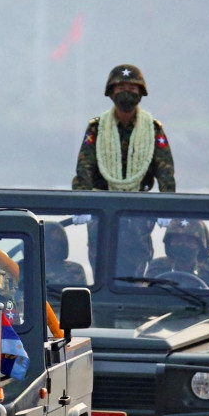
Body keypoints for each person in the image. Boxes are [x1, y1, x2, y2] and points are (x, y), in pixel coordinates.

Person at [71, 65, 175, 278]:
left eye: (132, 87)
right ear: (111, 92)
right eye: (121, 87)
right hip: (101, 206)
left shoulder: (153, 129)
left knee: (137, 260)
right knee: (100, 258)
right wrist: (81, 201)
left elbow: (165, 170)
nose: (127, 92)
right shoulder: (97, 128)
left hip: (139, 207)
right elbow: (85, 167)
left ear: (141, 93)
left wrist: (167, 204)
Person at [145, 220, 209, 289]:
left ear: (200, 246)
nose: (182, 244)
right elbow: (146, 298)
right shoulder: (157, 267)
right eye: (177, 240)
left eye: (190, 241)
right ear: (169, 244)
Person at [43, 221, 87, 285]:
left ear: (62, 245)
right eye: (45, 242)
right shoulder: (25, 268)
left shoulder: (74, 270)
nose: (48, 247)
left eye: (54, 243)